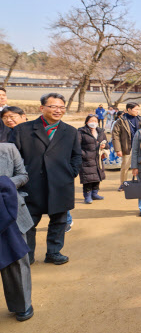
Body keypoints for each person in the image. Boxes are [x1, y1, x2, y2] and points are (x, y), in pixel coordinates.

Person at [12, 93, 82, 265]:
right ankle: (27, 255)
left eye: (61, 107)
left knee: (59, 221)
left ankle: (54, 252)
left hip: (60, 183)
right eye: (53, 106)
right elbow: (14, 157)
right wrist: (20, 178)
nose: (58, 110)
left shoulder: (70, 131)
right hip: (31, 183)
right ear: (42, 108)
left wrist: (71, 172)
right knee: (28, 223)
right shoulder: (23, 130)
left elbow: (76, 156)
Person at [0, 143, 34, 321]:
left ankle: (22, 304)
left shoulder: (8, 149)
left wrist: (5, 183)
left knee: (16, 260)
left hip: (10, 211)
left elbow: (23, 175)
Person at [111, 102, 141, 191]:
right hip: (127, 147)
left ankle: (140, 184)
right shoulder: (121, 121)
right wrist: (118, 149)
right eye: (136, 109)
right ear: (129, 109)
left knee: (140, 167)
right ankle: (123, 184)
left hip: (139, 147)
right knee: (125, 167)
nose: (137, 111)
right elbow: (115, 135)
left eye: (138, 109)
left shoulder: (140, 119)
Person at [78, 115, 107, 205]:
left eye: (95, 121)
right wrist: (84, 154)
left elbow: (106, 143)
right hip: (86, 159)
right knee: (88, 178)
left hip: (98, 159)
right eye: (91, 121)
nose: (93, 123)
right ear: (87, 122)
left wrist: (104, 146)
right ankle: (87, 196)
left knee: (97, 177)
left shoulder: (100, 132)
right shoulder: (81, 132)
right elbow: (76, 146)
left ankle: (94, 194)